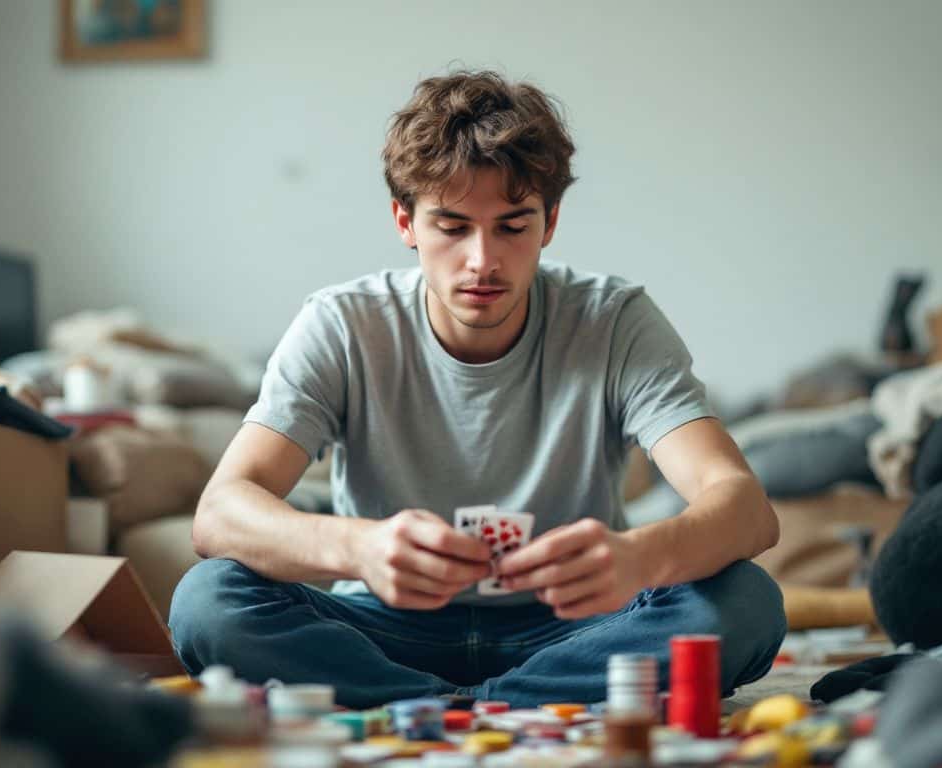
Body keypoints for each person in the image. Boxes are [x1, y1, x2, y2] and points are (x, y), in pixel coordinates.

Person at [169, 69, 786, 709]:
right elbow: (220, 513)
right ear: (405, 222)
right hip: (381, 630)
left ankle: (444, 708)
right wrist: (359, 548)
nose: (483, 261)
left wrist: (638, 558)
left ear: (549, 223)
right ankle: (488, 705)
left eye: (512, 227)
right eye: (453, 226)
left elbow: (744, 508)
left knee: (747, 602)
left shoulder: (614, 319)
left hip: (575, 628)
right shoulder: (343, 323)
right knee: (207, 601)